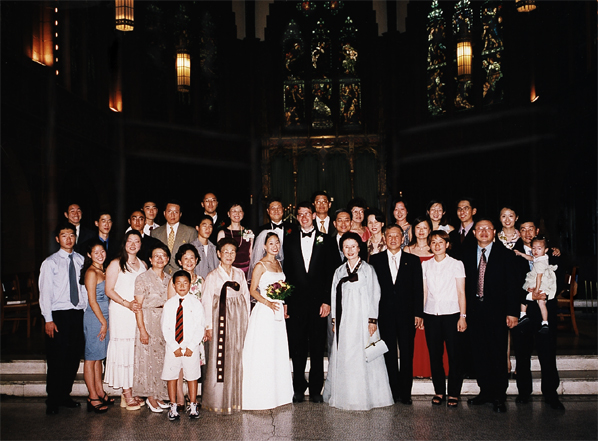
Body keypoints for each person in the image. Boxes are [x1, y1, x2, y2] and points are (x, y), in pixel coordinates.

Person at [323, 232, 394, 410]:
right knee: (347, 355)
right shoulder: (339, 271)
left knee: (365, 355)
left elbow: (375, 294)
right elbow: (333, 296)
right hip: (345, 320)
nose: (350, 250)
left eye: (353, 246)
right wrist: (333, 320)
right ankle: (347, 394)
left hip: (363, 319)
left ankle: (369, 396)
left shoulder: (367, 269)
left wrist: (372, 320)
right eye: (346, 247)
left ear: (359, 248)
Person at [283, 201, 340, 403]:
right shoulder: (289, 240)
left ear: (315, 215)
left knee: (317, 348)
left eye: (308, 214)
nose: (304, 217)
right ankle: (298, 387)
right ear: (297, 217)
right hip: (296, 303)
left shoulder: (327, 240)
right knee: (297, 348)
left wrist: (327, 301)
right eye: (300, 214)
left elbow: (331, 273)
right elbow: (286, 273)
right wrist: (285, 302)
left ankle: (316, 389)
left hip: (319, 304)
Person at [462, 219, 519, 413]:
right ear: (474, 232)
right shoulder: (466, 255)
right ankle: (484, 392)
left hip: (498, 313)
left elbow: (512, 286)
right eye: (480, 229)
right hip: (475, 311)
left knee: (497, 353)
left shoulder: (506, 255)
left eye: (488, 229)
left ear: (494, 232)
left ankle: (499, 396)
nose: (484, 232)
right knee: (479, 353)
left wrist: (512, 312)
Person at [511, 220, 564, 409]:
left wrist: (545, 294)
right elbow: (509, 284)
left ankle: (551, 394)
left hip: (545, 308)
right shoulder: (514, 255)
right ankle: (524, 392)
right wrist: (528, 295)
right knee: (522, 354)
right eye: (523, 229)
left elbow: (561, 280)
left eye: (530, 229)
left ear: (537, 231)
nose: (527, 232)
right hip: (523, 310)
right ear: (519, 232)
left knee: (548, 353)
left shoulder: (551, 253)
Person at [369, 225, 424, 405]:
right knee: (389, 353)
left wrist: (418, 313)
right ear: (384, 238)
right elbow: (372, 290)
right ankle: (392, 391)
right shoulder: (375, 260)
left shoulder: (413, 260)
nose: (393, 239)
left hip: (407, 315)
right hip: (384, 315)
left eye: (397, 236)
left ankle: (405, 393)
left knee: (407, 352)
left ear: (403, 239)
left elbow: (418, 289)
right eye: (389, 236)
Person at [242, 231, 293, 410]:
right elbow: (253, 290)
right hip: (264, 312)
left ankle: (278, 394)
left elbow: (282, 288)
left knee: (276, 351)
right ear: (264, 246)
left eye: (277, 243)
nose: (274, 246)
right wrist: (268, 303)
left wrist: (283, 303)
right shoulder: (260, 265)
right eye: (271, 243)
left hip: (277, 312)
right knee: (264, 352)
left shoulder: (278, 264)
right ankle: (261, 395)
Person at [39, 222, 87, 415]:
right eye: (64, 235)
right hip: (58, 315)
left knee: (73, 357)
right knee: (56, 357)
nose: (69, 239)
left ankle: (64, 395)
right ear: (58, 239)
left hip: (77, 314)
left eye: (72, 235)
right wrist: (48, 319)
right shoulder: (50, 262)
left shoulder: (81, 260)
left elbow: (83, 289)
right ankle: (52, 398)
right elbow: (45, 292)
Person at [201, 238, 251, 414]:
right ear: (219, 254)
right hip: (219, 320)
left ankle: (237, 399)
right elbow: (206, 302)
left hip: (238, 320)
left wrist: (247, 321)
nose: (229, 255)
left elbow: (245, 297)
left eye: (232, 252)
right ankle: (217, 400)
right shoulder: (213, 276)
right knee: (219, 357)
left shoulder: (240, 274)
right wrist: (208, 326)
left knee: (237, 357)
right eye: (226, 252)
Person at [422, 230, 467, 408]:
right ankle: (439, 391)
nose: (437, 245)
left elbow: (461, 292)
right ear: (430, 245)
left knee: (455, 355)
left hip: (452, 314)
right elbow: (424, 292)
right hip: (432, 314)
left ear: (447, 244)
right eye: (433, 242)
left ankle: (454, 393)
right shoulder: (425, 265)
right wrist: (421, 314)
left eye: (441, 242)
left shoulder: (456, 264)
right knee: (435, 355)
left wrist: (463, 316)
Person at [104, 230, 146, 411]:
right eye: (130, 240)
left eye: (137, 241)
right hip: (122, 311)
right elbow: (109, 290)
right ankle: (126, 393)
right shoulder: (115, 264)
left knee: (134, 351)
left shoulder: (143, 264)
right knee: (124, 349)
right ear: (124, 243)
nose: (133, 244)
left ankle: (134, 389)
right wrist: (127, 304)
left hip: (138, 312)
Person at [167, 243, 207, 410]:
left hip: (195, 330)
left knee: (192, 362)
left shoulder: (201, 280)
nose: (189, 261)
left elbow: (204, 305)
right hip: (179, 329)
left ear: (197, 260)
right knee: (178, 363)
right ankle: (179, 399)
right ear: (179, 261)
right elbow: (170, 305)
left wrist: (204, 328)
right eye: (186, 258)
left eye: (192, 258)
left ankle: (193, 400)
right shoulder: (174, 281)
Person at [161, 271, 206, 421]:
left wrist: (191, 346)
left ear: (190, 284)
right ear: (173, 285)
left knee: (192, 376)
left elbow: (200, 326)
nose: (182, 286)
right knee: (171, 376)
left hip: (190, 347)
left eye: (185, 283)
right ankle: (173, 405)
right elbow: (165, 327)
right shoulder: (169, 304)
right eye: (178, 283)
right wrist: (174, 346)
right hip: (173, 348)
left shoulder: (196, 303)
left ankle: (193, 404)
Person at [132, 243, 171, 413]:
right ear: (150, 259)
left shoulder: (170, 279)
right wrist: (142, 329)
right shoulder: (142, 278)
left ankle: (159, 394)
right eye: (156, 256)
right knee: (147, 360)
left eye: (163, 255)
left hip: (164, 321)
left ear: (168, 259)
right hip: (147, 320)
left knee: (161, 359)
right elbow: (138, 306)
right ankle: (150, 397)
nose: (160, 259)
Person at [404, 217, 442, 380]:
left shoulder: (435, 249)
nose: (421, 231)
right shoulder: (407, 250)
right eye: (417, 227)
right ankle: (417, 369)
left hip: (435, 298)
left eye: (424, 228)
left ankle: (433, 370)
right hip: (413, 299)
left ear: (430, 230)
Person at [80, 240, 112, 413]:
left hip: (104, 317)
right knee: (91, 358)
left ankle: (100, 391)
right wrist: (104, 322)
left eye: (102, 251)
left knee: (99, 356)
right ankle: (92, 395)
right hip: (95, 318)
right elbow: (92, 301)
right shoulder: (91, 272)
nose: (100, 255)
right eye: (96, 252)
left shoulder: (104, 270)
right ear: (89, 255)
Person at [519, 235, 558, 333]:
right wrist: (521, 254)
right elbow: (531, 258)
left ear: (546, 250)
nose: (535, 251)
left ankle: (523, 314)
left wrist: (536, 290)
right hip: (539, 281)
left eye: (539, 249)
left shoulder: (541, 262)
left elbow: (539, 277)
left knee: (528, 298)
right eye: (533, 248)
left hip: (540, 283)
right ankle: (544, 322)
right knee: (541, 303)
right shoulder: (540, 257)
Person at [151, 200, 197, 275]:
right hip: (161, 274)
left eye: (175, 212)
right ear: (164, 213)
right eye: (169, 211)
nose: (172, 215)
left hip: (182, 276)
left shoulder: (190, 232)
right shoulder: (155, 233)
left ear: (180, 214)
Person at [217, 202, 254, 279]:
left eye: (240, 211)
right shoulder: (223, 233)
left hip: (246, 271)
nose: (237, 214)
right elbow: (220, 257)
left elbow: (251, 254)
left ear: (243, 213)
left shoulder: (249, 232)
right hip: (229, 271)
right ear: (228, 214)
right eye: (234, 211)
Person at [191, 215, 220, 279]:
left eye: (210, 226)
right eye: (204, 226)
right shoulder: (191, 248)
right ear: (197, 228)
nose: (207, 229)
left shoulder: (215, 249)